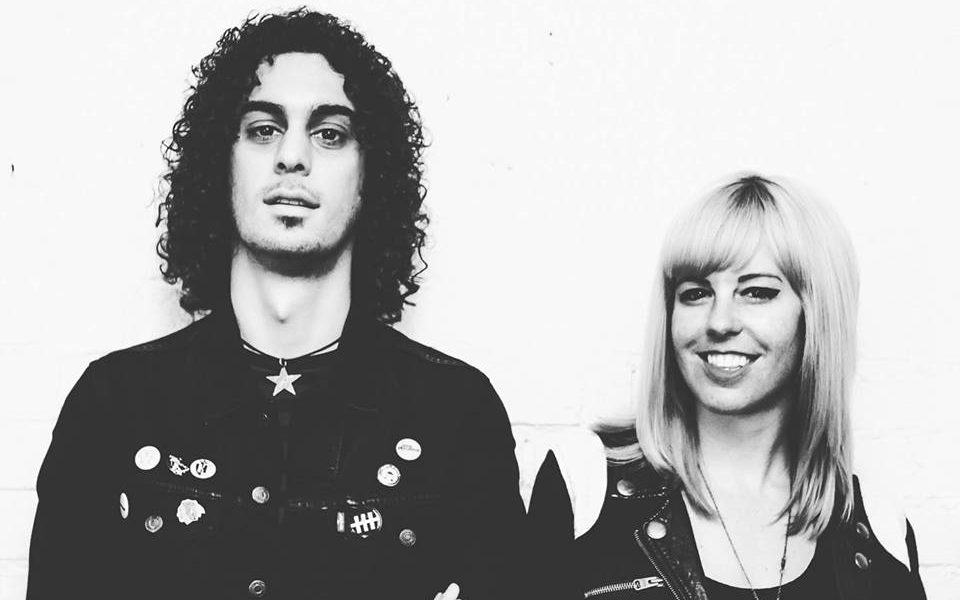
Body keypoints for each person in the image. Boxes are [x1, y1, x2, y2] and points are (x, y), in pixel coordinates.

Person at [27, 10, 525, 600]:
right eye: (263, 129)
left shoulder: (456, 415)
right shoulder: (114, 406)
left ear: (371, 173)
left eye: (330, 133)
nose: (293, 156)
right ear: (221, 161)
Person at [528, 174, 926, 599]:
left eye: (756, 292)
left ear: (816, 314)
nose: (719, 322)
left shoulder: (877, 526)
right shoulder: (584, 484)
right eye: (696, 293)